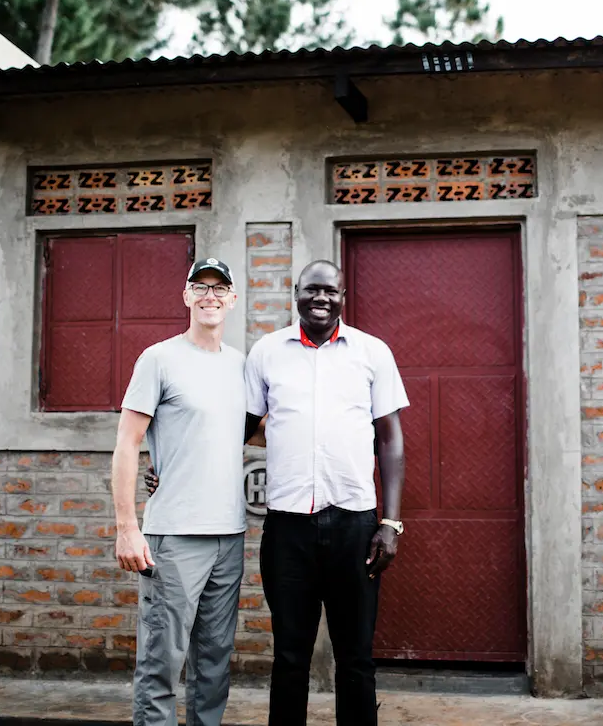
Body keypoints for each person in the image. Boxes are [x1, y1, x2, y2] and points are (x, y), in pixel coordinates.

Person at [244, 259, 409, 726]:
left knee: (356, 657)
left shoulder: (372, 352)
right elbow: (239, 429)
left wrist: (390, 524)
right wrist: (170, 466)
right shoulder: (266, 352)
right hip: (287, 530)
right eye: (312, 290)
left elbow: (391, 439)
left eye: (331, 291)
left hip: (355, 526)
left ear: (343, 297)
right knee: (290, 657)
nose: (322, 299)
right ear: (296, 293)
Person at [111, 257, 247, 726]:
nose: (210, 295)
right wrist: (128, 528)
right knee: (161, 663)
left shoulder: (240, 366)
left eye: (219, 288)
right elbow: (127, 444)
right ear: (186, 296)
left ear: (232, 298)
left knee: (214, 665)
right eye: (200, 286)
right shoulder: (159, 358)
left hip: (230, 536)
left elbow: (258, 431)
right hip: (174, 538)